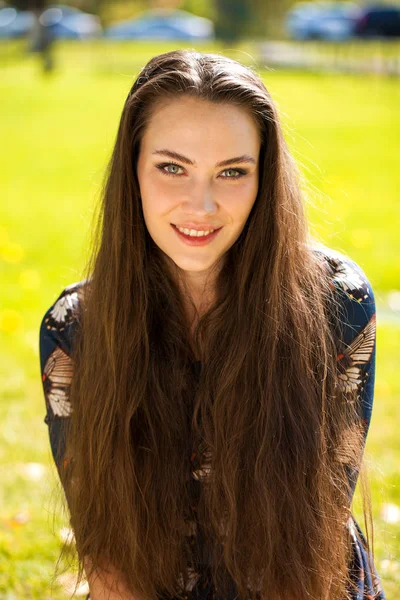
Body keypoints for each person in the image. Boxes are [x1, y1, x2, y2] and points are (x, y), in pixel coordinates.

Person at [39, 50, 386, 600]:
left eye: (232, 172)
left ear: (264, 181)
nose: (200, 205)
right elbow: (108, 563)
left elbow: (309, 539)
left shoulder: (336, 302)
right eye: (172, 167)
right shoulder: (77, 328)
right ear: (131, 170)